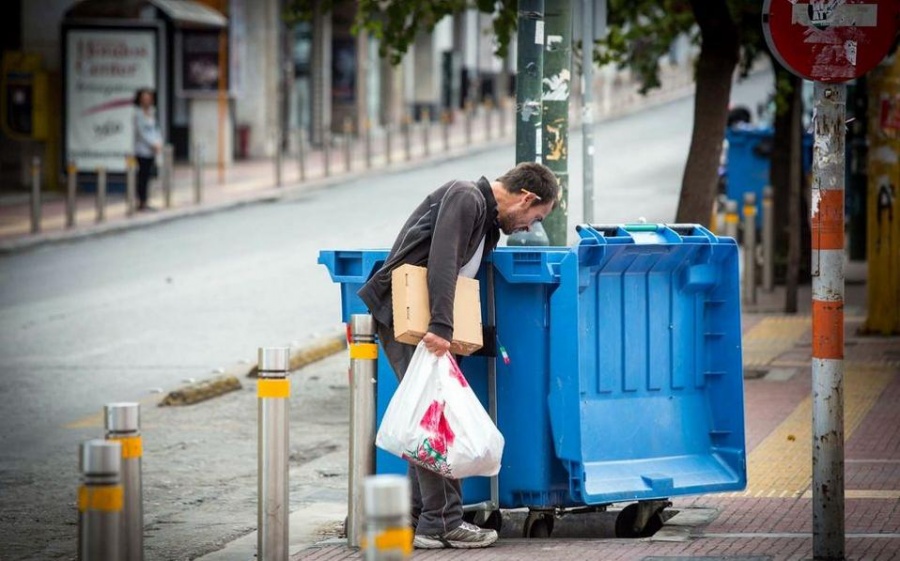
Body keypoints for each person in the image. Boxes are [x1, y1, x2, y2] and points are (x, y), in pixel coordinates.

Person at [358, 162, 559, 549]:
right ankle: (443, 522)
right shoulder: (467, 197)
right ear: (526, 197)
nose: (531, 226)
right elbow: (444, 261)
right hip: (411, 319)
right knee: (436, 420)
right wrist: (441, 327)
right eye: (537, 216)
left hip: (424, 322)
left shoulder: (486, 219)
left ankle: (419, 519)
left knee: (428, 416)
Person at [133, 88, 163, 211]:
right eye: (144, 98)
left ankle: (145, 200)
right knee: (142, 176)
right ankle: (141, 202)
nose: (147, 101)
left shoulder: (152, 112)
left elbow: (156, 129)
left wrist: (159, 142)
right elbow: (141, 132)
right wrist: (152, 144)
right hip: (142, 150)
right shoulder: (137, 114)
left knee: (148, 176)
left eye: (148, 98)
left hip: (152, 150)